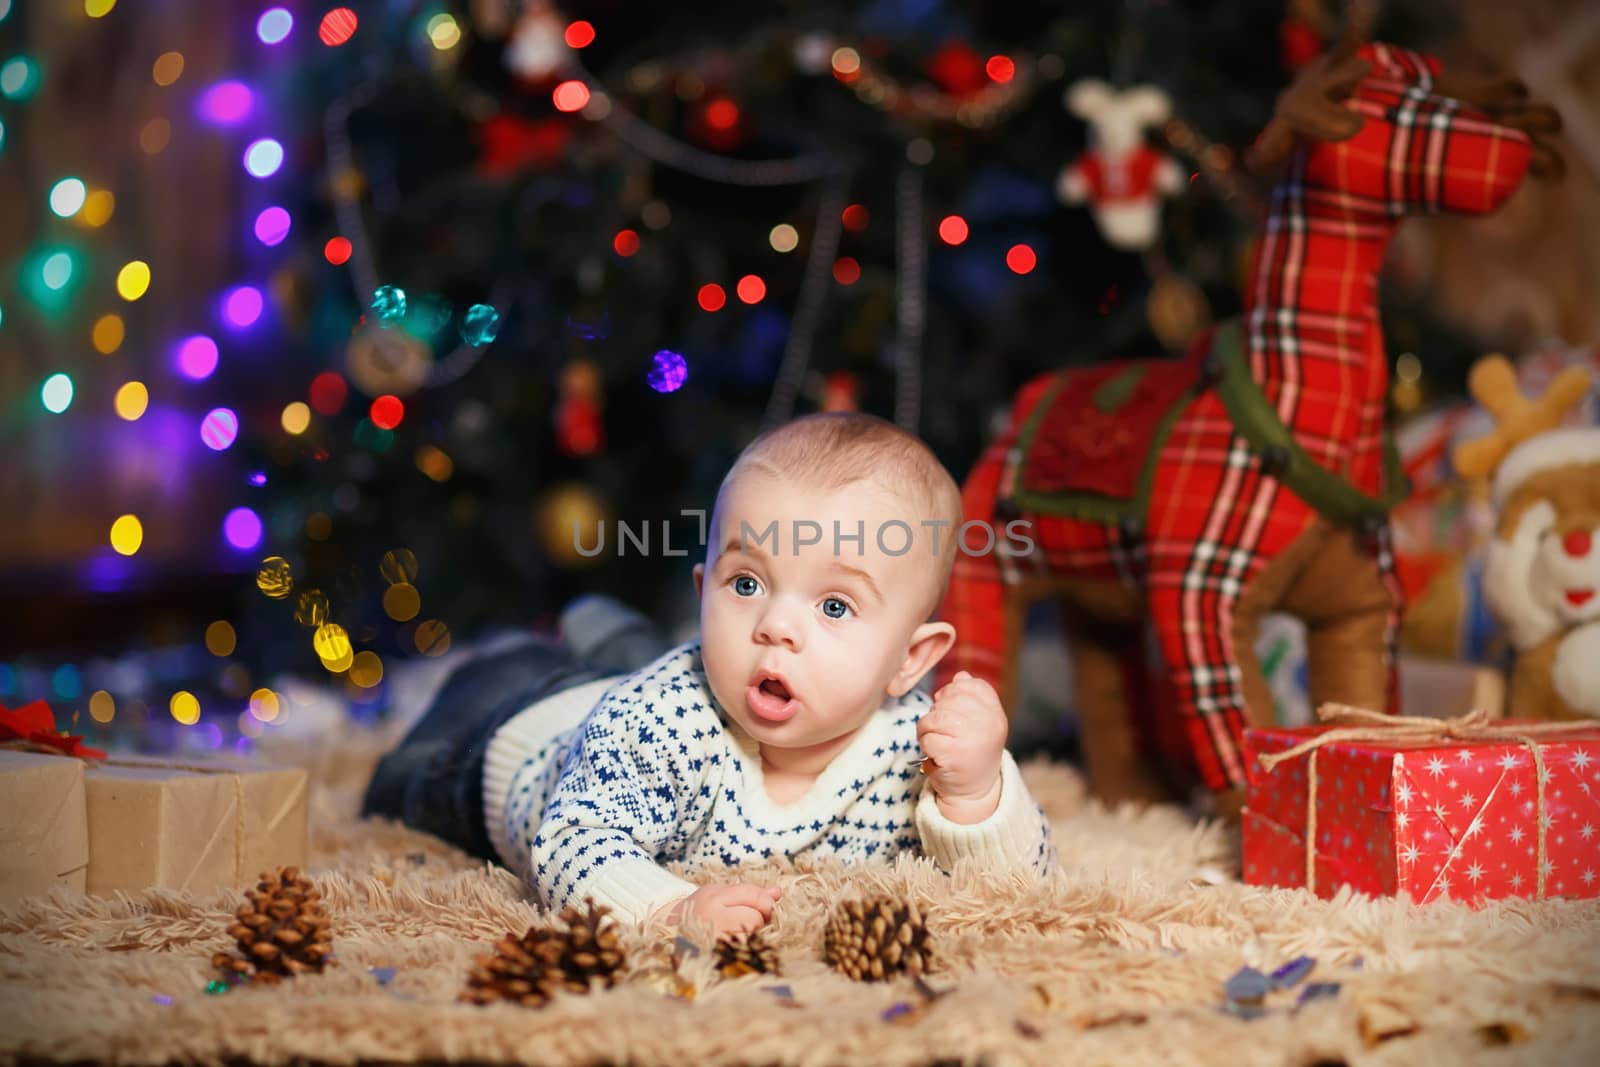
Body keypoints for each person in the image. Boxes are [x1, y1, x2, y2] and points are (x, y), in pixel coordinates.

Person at [363, 412, 1055, 938]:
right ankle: (564, 645)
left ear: (910, 659)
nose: (777, 625)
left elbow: (1019, 890)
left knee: (648, 659)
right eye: (747, 582)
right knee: (407, 774)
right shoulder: (664, 718)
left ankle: (608, 631)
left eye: (835, 604)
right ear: (703, 591)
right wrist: (669, 908)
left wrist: (977, 793)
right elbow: (570, 841)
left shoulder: (914, 742)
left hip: (639, 682)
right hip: (512, 736)